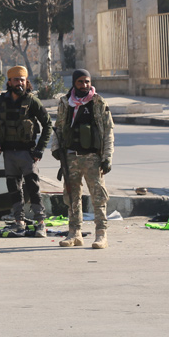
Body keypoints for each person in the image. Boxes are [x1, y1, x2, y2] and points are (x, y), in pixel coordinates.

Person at [0, 65, 51, 237]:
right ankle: (19, 221)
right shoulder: (1, 101)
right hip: (9, 153)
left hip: (27, 153)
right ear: (9, 81)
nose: (19, 83)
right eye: (16, 80)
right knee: (14, 189)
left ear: (26, 81)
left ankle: (40, 222)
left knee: (33, 188)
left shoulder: (32, 101)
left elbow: (48, 124)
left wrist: (40, 149)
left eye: (22, 80)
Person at [52, 69, 115, 249]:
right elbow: (58, 127)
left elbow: (109, 131)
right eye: (80, 82)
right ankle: (75, 233)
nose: (84, 85)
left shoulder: (98, 102)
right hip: (71, 156)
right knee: (72, 196)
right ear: (74, 83)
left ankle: (101, 234)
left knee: (98, 197)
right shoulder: (66, 103)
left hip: (92, 158)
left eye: (87, 82)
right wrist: (56, 148)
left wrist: (107, 157)